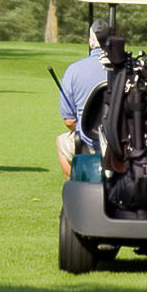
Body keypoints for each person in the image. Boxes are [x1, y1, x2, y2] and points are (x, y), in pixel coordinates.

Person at [55, 19, 112, 178]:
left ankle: (74, 183)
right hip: (123, 141)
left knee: (61, 142)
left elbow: (69, 121)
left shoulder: (74, 70)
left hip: (89, 141)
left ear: (90, 42)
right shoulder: (130, 68)